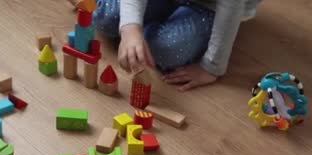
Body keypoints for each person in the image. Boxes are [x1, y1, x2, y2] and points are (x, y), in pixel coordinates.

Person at [90, 0, 261, 91]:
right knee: (105, 17)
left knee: (165, 50)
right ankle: (147, 25)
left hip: (211, 7)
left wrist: (212, 66)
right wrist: (130, 28)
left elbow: (231, 6)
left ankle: (151, 28)